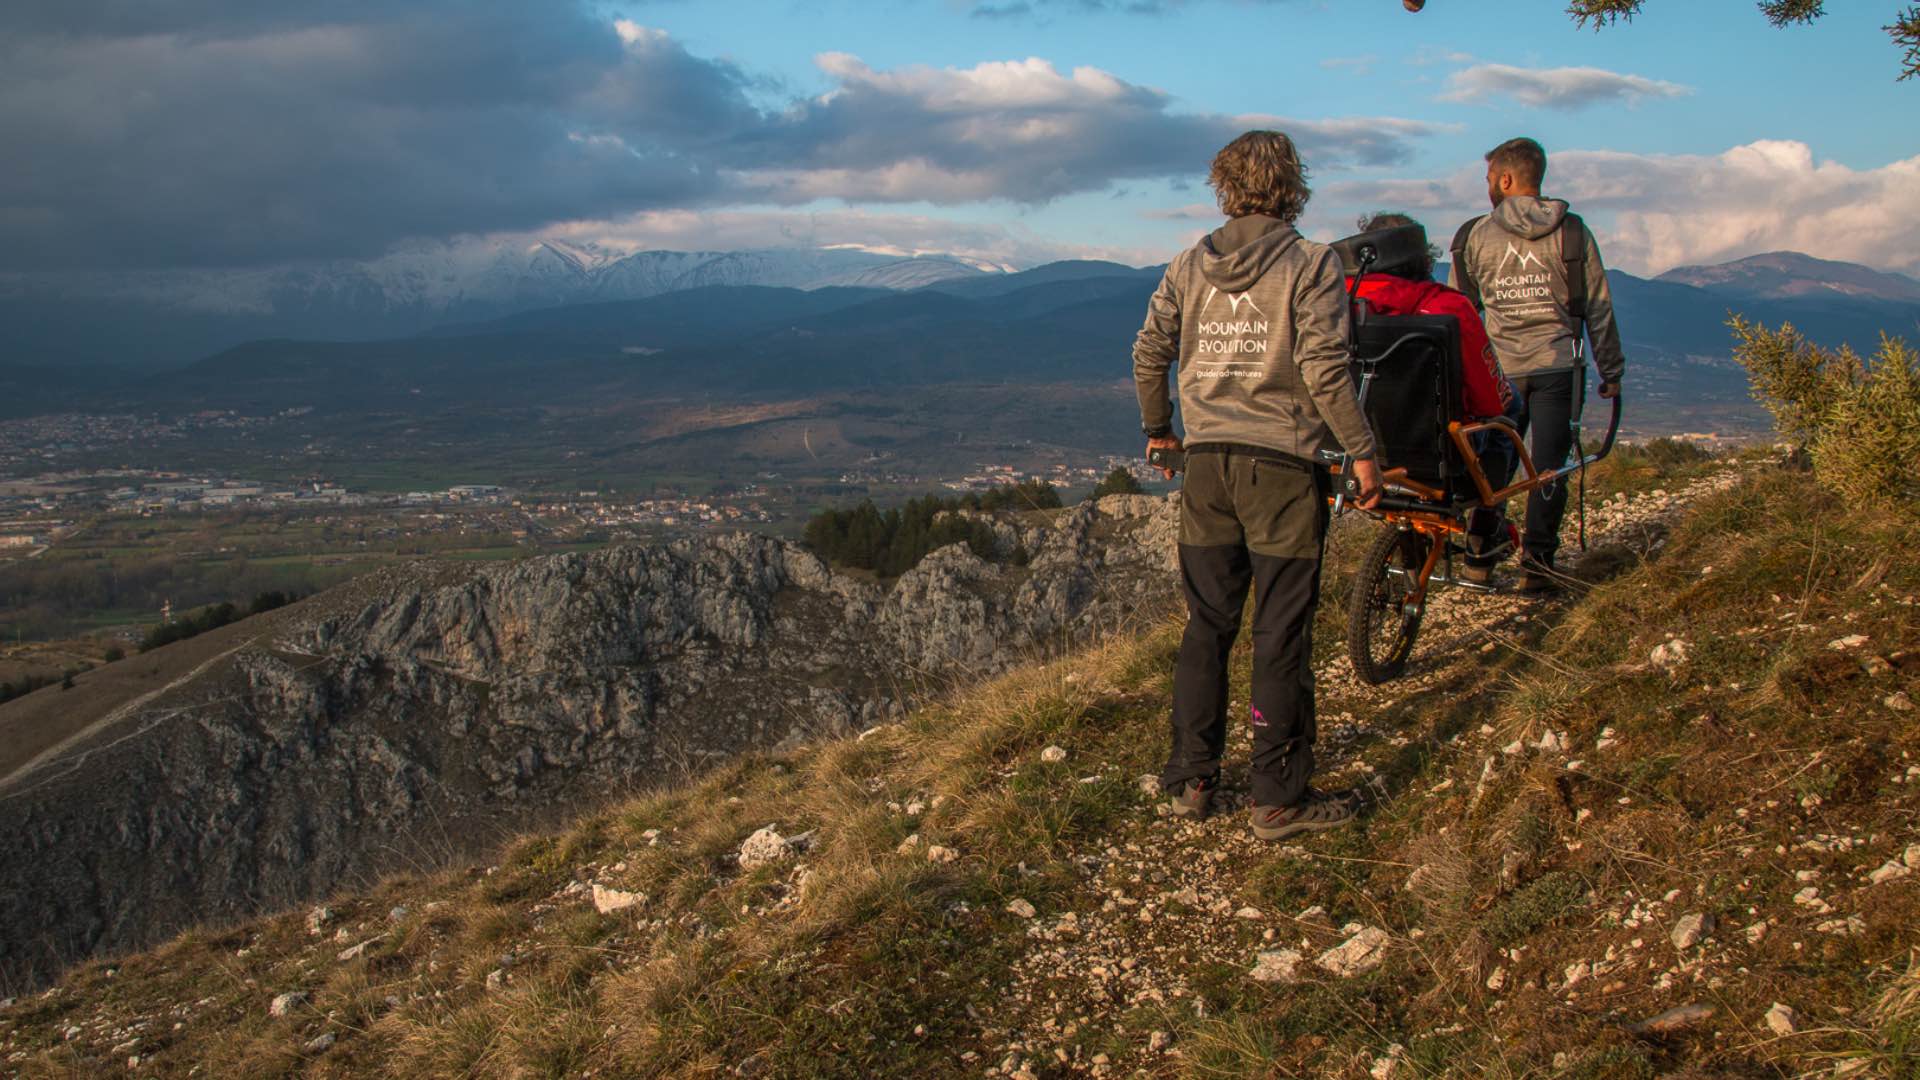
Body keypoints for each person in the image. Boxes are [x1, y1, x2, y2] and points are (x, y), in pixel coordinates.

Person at [1133, 130, 1383, 842]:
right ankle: (1276, 797)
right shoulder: (1311, 264)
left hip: (1207, 465)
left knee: (1207, 624)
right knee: (1280, 630)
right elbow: (1325, 371)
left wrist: (1161, 430)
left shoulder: (1188, 265)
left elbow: (1148, 352)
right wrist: (1363, 451)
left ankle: (1191, 778)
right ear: (1291, 186)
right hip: (1281, 469)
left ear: (1226, 185)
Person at [1450, 137, 1625, 593]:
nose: (1488, 185)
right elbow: (1598, 306)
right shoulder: (1572, 232)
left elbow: (1458, 315)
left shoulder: (1473, 236)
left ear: (1507, 179)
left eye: (1490, 178)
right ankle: (1538, 568)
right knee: (1549, 467)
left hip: (1497, 373)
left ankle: (1478, 558)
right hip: (1558, 367)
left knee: (1491, 464)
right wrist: (1611, 371)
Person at [1341, 212, 1518, 583]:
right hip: (1441, 457)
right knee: (1509, 409)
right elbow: (1489, 399)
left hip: (1358, 448)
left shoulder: (1338, 304)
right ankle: (1484, 532)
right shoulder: (1448, 307)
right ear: (1421, 257)